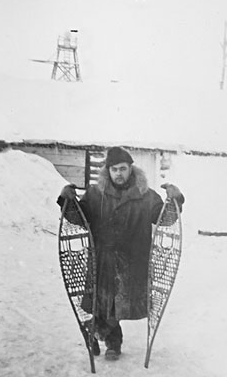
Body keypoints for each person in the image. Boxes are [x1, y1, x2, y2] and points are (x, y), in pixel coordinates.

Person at [57, 146, 184, 360]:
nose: (119, 173)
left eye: (123, 169)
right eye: (114, 169)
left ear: (131, 169)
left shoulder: (145, 195)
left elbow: (165, 219)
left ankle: (103, 338)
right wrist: (67, 200)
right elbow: (80, 218)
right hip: (102, 258)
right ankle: (106, 339)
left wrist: (176, 199)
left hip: (131, 260)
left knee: (115, 304)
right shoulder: (96, 194)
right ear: (108, 171)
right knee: (100, 301)